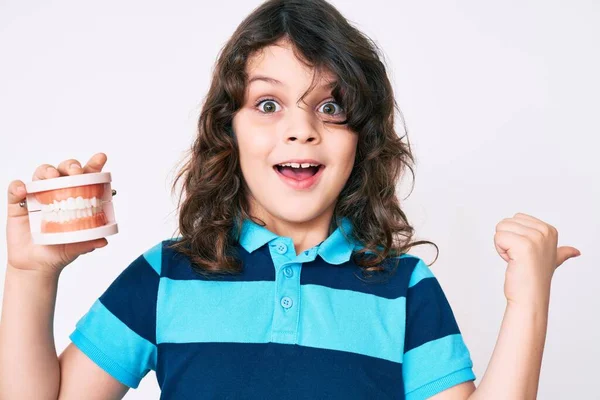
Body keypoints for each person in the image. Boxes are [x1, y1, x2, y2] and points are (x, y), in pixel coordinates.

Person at [0, 0, 581, 399]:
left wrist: (528, 299)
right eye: (269, 104)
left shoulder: (404, 287)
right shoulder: (166, 275)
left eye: (330, 106)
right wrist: (31, 276)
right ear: (229, 131)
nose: (301, 129)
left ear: (363, 140)